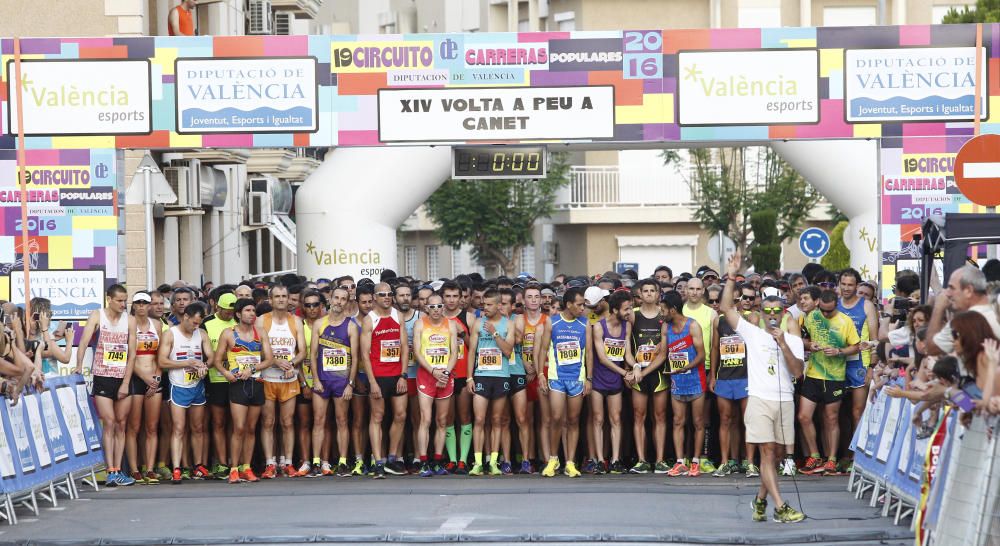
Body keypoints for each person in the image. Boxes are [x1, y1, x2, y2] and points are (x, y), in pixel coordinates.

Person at [720, 252, 806, 523]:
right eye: (766, 312)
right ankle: (780, 507)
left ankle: (759, 501)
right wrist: (732, 275)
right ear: (761, 313)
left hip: (784, 401)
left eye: (775, 312)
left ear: (782, 313)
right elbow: (726, 309)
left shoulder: (792, 339)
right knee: (766, 452)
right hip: (758, 399)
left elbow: (798, 372)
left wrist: (782, 344)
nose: (771, 316)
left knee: (777, 457)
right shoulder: (751, 332)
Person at [76, 284, 136, 486]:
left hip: (123, 378)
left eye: (125, 301)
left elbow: (132, 353)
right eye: (119, 300)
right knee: (108, 422)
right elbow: (84, 341)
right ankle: (110, 469)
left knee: (121, 424)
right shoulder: (97, 315)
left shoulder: (130, 320)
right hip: (102, 375)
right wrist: (78, 365)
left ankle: (117, 469)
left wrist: (126, 383)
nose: (122, 304)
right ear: (109, 299)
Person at [797, 290, 860, 475]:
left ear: (836, 305)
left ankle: (831, 459)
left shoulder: (845, 321)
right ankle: (815, 455)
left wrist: (839, 351)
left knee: (831, 418)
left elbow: (856, 346)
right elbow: (802, 338)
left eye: (829, 311)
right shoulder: (811, 317)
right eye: (822, 310)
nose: (825, 314)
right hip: (813, 374)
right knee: (803, 416)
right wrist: (809, 345)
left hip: (835, 377)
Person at [213, 298, 273, 484]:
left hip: (256, 382)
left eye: (253, 310)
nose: (252, 313)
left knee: (250, 428)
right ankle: (233, 468)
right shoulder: (228, 333)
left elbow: (269, 359)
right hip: (238, 384)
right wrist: (226, 374)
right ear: (238, 314)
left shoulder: (261, 332)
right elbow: (216, 360)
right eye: (247, 310)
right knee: (238, 428)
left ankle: (246, 467)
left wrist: (252, 370)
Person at [539, 286, 592, 478]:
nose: (582, 308)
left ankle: (570, 462)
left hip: (577, 378)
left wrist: (589, 378)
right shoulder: (552, 323)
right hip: (556, 377)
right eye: (579, 304)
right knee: (556, 418)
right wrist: (540, 374)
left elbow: (590, 354)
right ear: (568, 304)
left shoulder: (585, 324)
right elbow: (543, 349)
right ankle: (553, 459)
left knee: (573, 420)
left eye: (584, 304)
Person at [158, 303, 213, 484]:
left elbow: (211, 356)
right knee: (179, 428)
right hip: (178, 385)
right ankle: (176, 468)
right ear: (186, 317)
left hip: (197, 385)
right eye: (193, 323)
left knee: (198, 428)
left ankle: (198, 465)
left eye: (199, 323)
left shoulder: (201, 334)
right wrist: (187, 363)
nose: (196, 326)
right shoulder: (171, 334)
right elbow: (163, 362)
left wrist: (204, 366)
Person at [306, 286, 358, 477]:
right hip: (322, 380)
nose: (338, 302)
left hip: (341, 382)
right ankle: (317, 462)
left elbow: (355, 357)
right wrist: (316, 380)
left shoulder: (351, 326)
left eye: (343, 299)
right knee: (318, 421)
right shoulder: (319, 323)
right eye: (336, 298)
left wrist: (350, 384)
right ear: (330, 299)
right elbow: (312, 355)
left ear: (347, 302)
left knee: (342, 421)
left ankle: (343, 462)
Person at [256, 285, 306, 479]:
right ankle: (270, 463)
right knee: (268, 422)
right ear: (270, 299)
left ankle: (287, 462)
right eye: (277, 296)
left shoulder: (296, 321)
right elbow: (258, 349)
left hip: (289, 377)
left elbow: (302, 350)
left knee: (287, 422)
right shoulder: (262, 320)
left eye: (284, 296)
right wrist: (275, 360)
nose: (281, 299)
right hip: (268, 376)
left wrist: (291, 363)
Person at [361, 282, 410, 477]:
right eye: (382, 294)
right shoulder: (369, 319)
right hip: (378, 375)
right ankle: (378, 461)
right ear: (375, 297)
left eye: (390, 294)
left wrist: (403, 375)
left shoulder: (397, 315)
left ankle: (391, 458)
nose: (387, 297)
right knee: (377, 417)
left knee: (400, 415)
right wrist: (372, 382)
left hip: (397, 374)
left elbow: (405, 346)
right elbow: (364, 354)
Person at [467, 289, 514, 476]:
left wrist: (495, 334)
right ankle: (478, 462)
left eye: (488, 305)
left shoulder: (508, 324)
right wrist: (469, 377)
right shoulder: (478, 323)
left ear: (498, 305)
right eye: (483, 304)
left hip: (501, 376)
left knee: (497, 420)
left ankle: (494, 462)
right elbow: (472, 352)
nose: (484, 307)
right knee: (479, 419)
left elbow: (509, 351)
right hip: (481, 375)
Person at [661, 290, 707, 477]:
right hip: (676, 381)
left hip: (695, 379)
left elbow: (702, 355)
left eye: (663, 309)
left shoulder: (692, 326)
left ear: (673, 310)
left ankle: (695, 461)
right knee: (678, 421)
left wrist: (685, 367)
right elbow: (663, 354)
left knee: (697, 422)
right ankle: (680, 462)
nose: (661, 313)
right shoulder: (666, 328)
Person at [412, 293, 458, 476]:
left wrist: (445, 373)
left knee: (442, 420)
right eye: (433, 307)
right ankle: (424, 461)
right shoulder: (420, 324)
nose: (437, 310)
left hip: (445, 376)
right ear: (426, 308)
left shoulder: (451, 325)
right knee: (426, 419)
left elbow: (454, 352)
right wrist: (433, 372)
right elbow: (417, 351)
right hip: (426, 375)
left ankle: (438, 460)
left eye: (440, 306)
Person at [710, 283, 752, 477]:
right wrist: (712, 376)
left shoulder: (750, 318)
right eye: (730, 301)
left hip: (746, 377)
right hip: (725, 377)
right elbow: (715, 349)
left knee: (747, 421)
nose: (734, 304)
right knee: (726, 420)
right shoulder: (718, 321)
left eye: (737, 300)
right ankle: (727, 462)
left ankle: (750, 462)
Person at [628, 278, 668, 474]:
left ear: (658, 294)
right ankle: (642, 460)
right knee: (639, 416)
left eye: (653, 290)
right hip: (638, 373)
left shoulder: (663, 315)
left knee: (659, 416)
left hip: (658, 374)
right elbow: (626, 347)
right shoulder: (633, 316)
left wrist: (644, 371)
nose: (650, 294)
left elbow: (663, 352)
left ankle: (660, 460)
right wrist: (635, 367)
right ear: (640, 294)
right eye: (646, 291)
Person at [125, 292, 165, 484]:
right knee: (133, 427)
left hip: (154, 377)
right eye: (138, 303)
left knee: (151, 427)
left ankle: (149, 468)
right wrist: (145, 377)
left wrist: (156, 378)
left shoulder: (157, 325)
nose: (141, 306)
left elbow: (161, 355)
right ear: (133, 305)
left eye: (145, 303)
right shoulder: (127, 324)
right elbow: (127, 356)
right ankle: (134, 469)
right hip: (135, 377)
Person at [592, 290, 633, 474]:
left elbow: (628, 353)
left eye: (630, 307)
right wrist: (625, 372)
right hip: (599, 378)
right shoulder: (599, 327)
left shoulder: (627, 326)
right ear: (615, 309)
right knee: (598, 419)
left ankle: (616, 459)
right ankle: (600, 460)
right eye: (626, 309)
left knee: (616, 419)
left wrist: (637, 366)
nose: (629, 312)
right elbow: (602, 358)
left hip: (616, 378)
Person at [683, 276, 717, 474]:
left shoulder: (711, 313)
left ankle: (702, 457)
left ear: (703, 291)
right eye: (691, 289)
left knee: (702, 418)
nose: (694, 292)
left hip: (702, 369)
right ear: (686, 291)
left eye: (698, 289)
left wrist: (712, 373)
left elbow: (713, 347)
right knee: (683, 418)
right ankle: (686, 457)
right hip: (681, 370)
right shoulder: (680, 311)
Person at [202, 291, 237, 479]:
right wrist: (222, 356)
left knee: (236, 424)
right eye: (226, 311)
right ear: (218, 307)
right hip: (215, 380)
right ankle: (222, 462)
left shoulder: (240, 323)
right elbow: (204, 353)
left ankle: (234, 461)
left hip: (237, 379)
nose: (230, 314)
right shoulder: (207, 323)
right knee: (218, 423)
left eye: (233, 311)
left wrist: (221, 355)